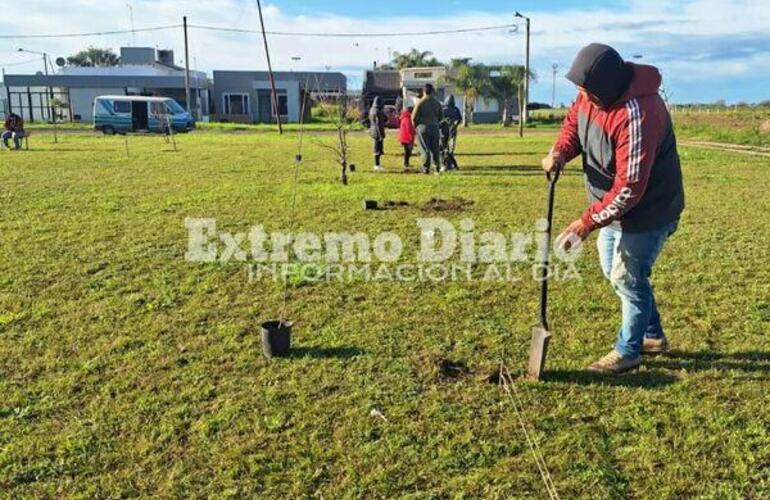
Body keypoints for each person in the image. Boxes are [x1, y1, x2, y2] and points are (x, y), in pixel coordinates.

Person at [543, 43, 685, 374]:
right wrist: (560, 152)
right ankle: (652, 334)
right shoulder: (591, 96)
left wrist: (584, 224)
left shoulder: (639, 113)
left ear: (608, 85)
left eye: (586, 88)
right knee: (616, 274)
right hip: (611, 208)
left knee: (627, 277)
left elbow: (629, 188)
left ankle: (628, 350)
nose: (581, 94)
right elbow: (573, 125)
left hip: (647, 211)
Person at [412, 83, 443, 174]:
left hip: (423, 127)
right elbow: (441, 116)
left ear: (424, 91)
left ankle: (425, 168)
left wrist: (415, 126)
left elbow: (413, 117)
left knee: (425, 148)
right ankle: (437, 167)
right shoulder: (437, 103)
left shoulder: (420, 102)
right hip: (435, 127)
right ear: (432, 91)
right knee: (435, 148)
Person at [440, 95, 462, 170]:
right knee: (449, 149)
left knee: (444, 149)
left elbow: (439, 120)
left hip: (444, 132)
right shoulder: (456, 109)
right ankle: (450, 165)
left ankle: (447, 165)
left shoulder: (443, 109)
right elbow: (459, 119)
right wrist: (455, 125)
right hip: (452, 131)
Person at [368, 97, 387, 172]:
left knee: (376, 148)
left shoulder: (372, 110)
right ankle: (376, 165)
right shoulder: (378, 111)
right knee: (377, 149)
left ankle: (377, 164)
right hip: (377, 131)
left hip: (373, 130)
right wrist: (381, 135)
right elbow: (379, 123)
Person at [398, 105, 416, 171]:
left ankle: (406, 163)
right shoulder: (407, 118)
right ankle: (406, 163)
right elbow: (409, 129)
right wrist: (411, 137)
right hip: (406, 137)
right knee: (407, 152)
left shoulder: (405, 117)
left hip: (404, 136)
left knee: (407, 151)